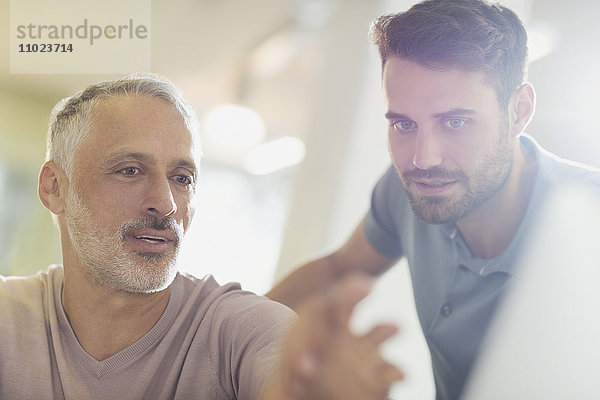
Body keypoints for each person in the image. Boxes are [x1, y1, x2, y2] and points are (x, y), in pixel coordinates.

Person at [267, 0, 600, 399]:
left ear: (519, 110)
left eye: (455, 122)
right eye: (404, 124)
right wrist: (223, 332)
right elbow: (340, 267)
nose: (423, 159)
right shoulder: (405, 187)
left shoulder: (589, 219)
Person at [0, 74, 403, 399]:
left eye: (181, 178)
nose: (166, 203)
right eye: (130, 170)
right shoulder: (9, 317)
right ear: (54, 187)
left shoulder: (238, 328)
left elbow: (279, 368)